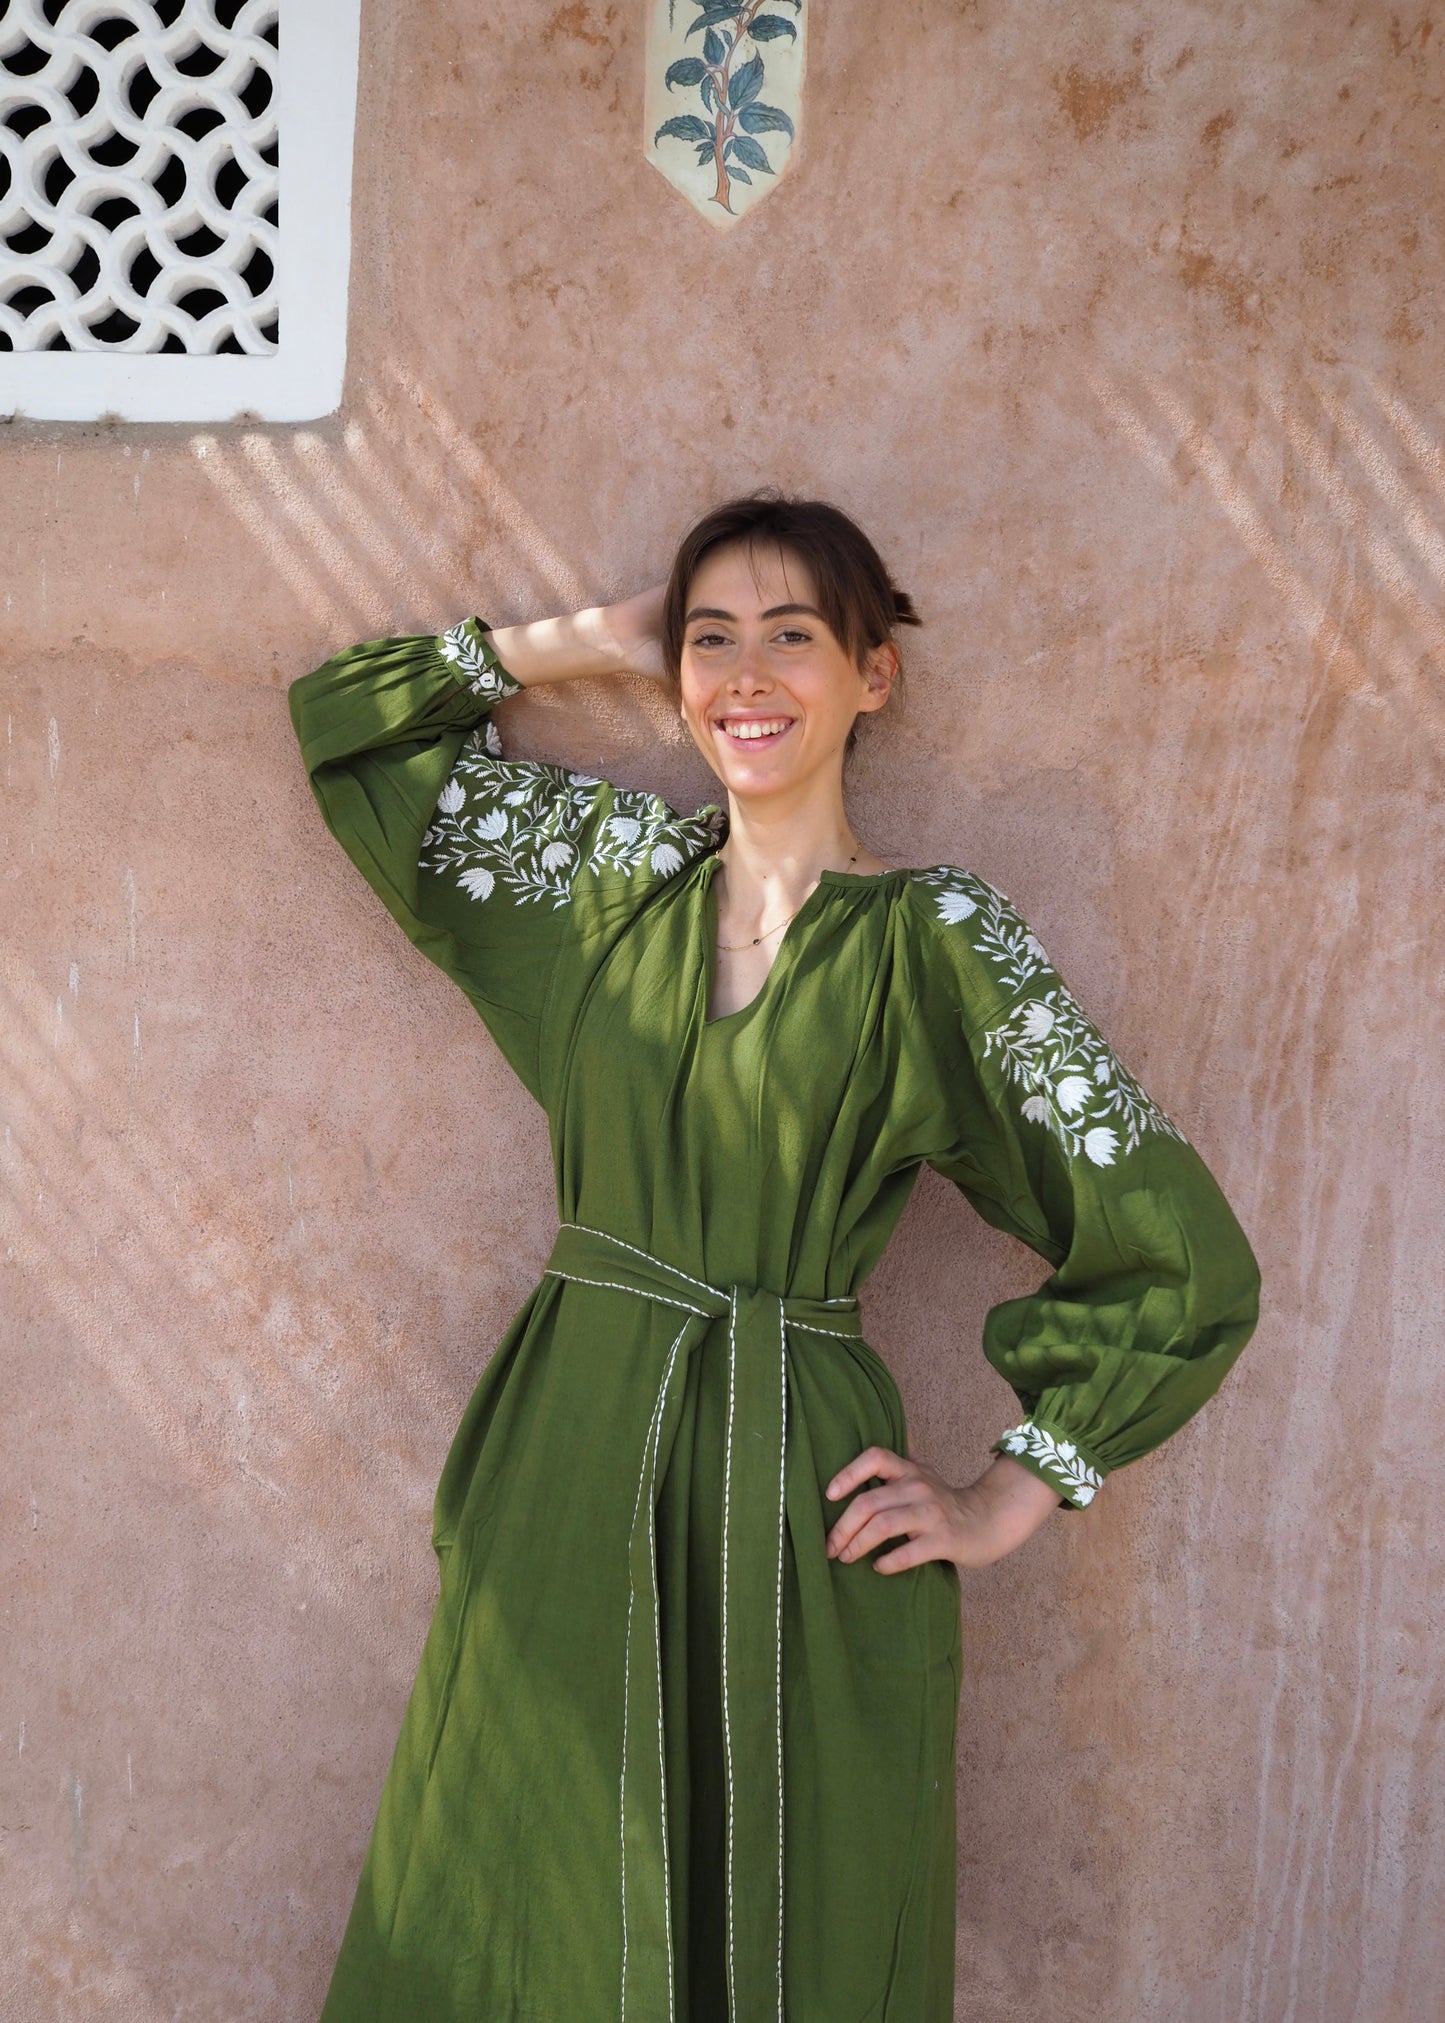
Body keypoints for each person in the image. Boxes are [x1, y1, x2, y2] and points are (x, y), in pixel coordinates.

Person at [288, 492, 1260, 2022]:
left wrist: (1009, 1494)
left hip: (799, 1494)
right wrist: (587, 639)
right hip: (567, 1466)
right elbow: (350, 729)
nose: (745, 675)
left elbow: (1179, 1256)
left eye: (790, 636)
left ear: (873, 674)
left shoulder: (937, 939)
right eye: (710, 639)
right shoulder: (599, 882)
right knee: (513, 1886)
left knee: (797, 1917)